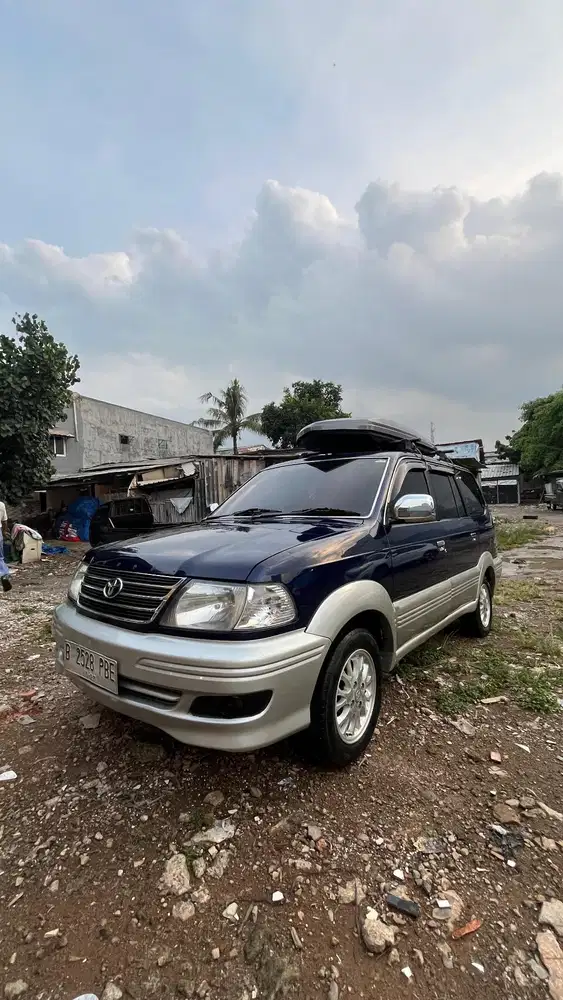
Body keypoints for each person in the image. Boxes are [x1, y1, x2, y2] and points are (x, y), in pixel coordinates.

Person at [0, 496, 12, 592]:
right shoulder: (1, 505)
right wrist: (4, 532)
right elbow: (4, 521)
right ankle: (4, 575)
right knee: (0, 557)